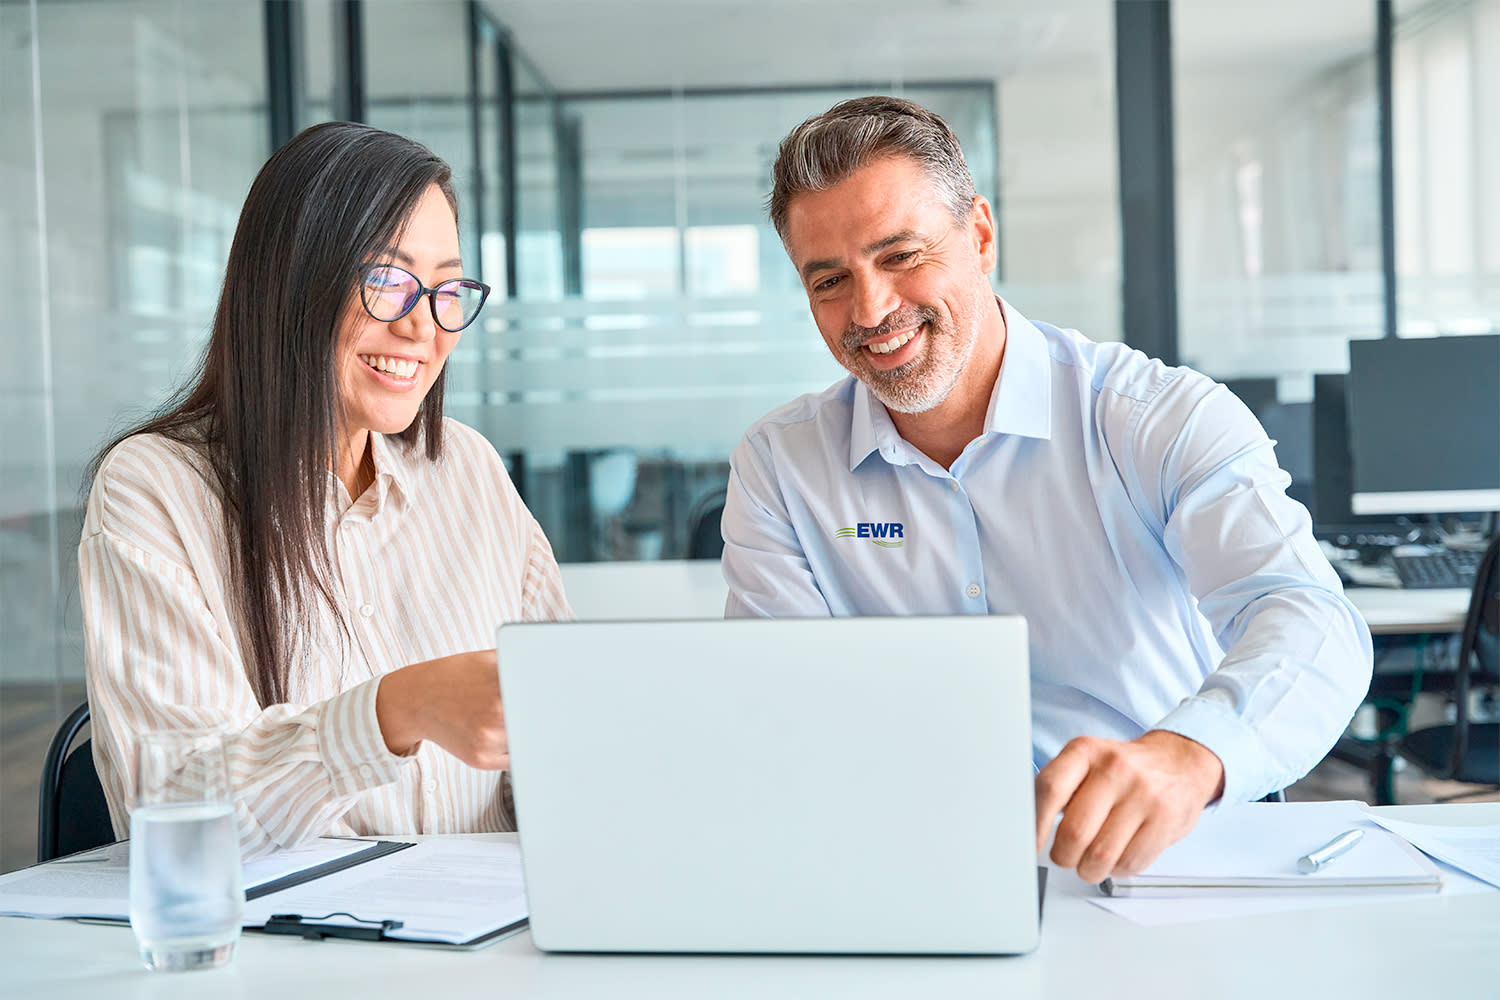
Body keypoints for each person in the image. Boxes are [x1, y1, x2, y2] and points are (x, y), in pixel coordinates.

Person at [721, 96, 1373, 883]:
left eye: (900, 256)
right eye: (829, 280)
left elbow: (1308, 618)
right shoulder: (781, 467)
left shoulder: (1152, 417)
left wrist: (1189, 755)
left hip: (1161, 863)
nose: (871, 309)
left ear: (981, 236)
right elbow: (782, 706)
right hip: (913, 866)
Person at [80, 122, 570, 859]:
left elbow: (566, 732)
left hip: (496, 949)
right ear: (291, 284)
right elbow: (179, 814)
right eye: (385, 280)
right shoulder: (156, 490)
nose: (422, 326)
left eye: (445, 288)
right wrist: (393, 711)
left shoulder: (467, 468)